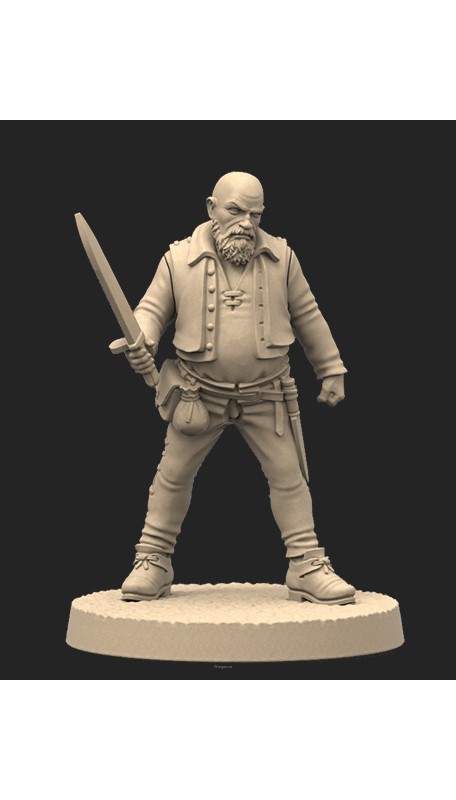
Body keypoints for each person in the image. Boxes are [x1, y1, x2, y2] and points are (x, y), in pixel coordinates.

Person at [118, 172, 355, 604]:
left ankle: (305, 564)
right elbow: (151, 309)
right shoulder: (177, 259)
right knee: (172, 477)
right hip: (197, 394)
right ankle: (153, 559)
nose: (246, 222)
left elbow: (307, 314)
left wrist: (331, 368)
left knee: (289, 478)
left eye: (256, 214)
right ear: (212, 208)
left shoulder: (282, 258)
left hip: (267, 394)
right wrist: (144, 338)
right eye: (236, 210)